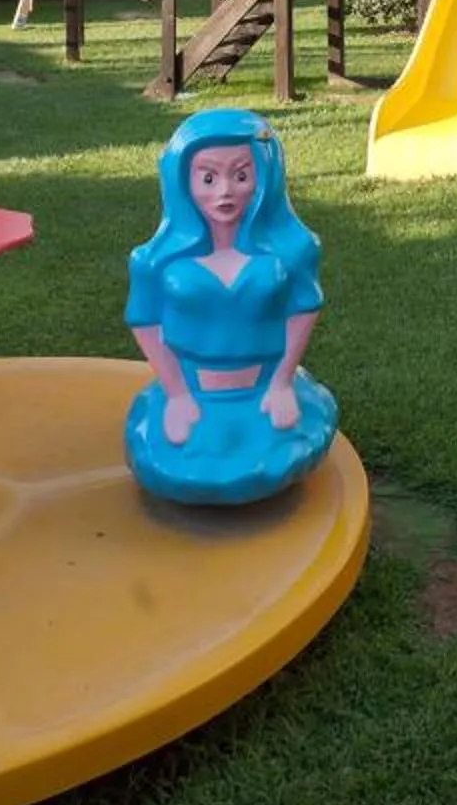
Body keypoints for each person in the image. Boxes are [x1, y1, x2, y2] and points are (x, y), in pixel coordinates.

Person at [123, 108, 338, 506]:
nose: (224, 191)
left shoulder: (291, 253)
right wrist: (177, 394)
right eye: (208, 177)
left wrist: (281, 382)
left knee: (277, 445)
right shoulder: (154, 262)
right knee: (178, 452)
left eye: (241, 175)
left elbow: (303, 309)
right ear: (182, 180)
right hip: (191, 389)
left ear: (264, 177)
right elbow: (145, 320)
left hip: (264, 387)